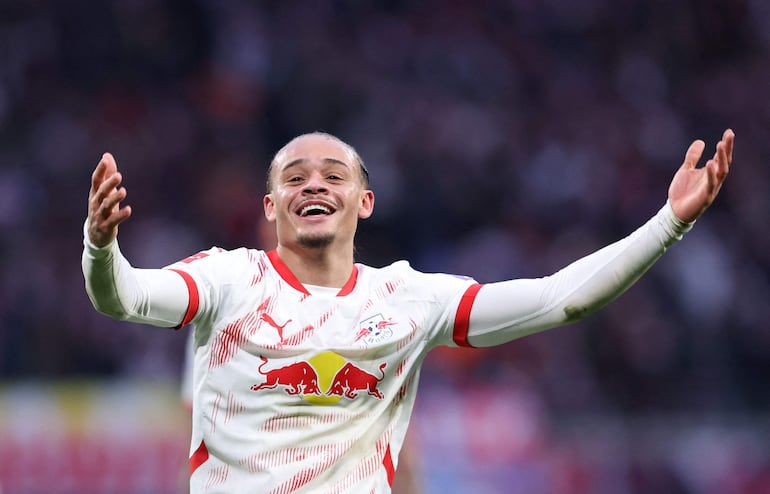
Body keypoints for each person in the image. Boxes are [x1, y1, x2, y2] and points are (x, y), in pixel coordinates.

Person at [82, 129, 734, 493]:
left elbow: (559, 299)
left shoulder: (406, 299)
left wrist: (670, 222)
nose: (315, 183)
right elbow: (126, 296)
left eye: (335, 174)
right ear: (271, 207)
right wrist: (101, 245)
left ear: (364, 202)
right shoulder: (225, 281)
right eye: (295, 176)